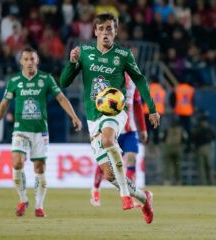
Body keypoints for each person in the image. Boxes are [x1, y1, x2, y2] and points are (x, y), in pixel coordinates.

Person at [60, 13, 160, 224]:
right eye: (102, 28)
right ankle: (144, 197)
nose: (106, 32)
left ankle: (124, 194)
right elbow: (65, 82)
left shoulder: (123, 55)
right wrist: (71, 63)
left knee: (108, 140)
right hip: (93, 117)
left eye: (110, 28)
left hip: (116, 111)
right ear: (95, 31)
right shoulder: (84, 52)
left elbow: (140, 81)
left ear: (116, 32)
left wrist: (152, 109)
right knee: (108, 174)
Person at [0, 47, 82, 217]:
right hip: (21, 130)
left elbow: (61, 98)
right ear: (21, 62)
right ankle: (23, 199)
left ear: (37, 61)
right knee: (17, 163)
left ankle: (39, 206)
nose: (29, 62)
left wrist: (74, 117)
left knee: (40, 168)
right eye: (26, 59)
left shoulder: (46, 79)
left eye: (32, 59)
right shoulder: (14, 81)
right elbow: (4, 104)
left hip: (40, 131)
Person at [90, 73, 148, 207]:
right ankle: (95, 189)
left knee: (132, 157)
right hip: (110, 129)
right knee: (106, 163)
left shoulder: (134, 81)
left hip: (129, 130)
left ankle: (130, 193)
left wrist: (143, 129)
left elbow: (138, 105)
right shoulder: (108, 78)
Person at [192, 112, 216, 185]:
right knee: (210, 167)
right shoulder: (210, 127)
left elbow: (193, 137)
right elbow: (215, 136)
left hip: (199, 148)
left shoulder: (197, 128)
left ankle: (203, 184)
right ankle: (212, 183)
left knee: (201, 168)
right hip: (208, 147)